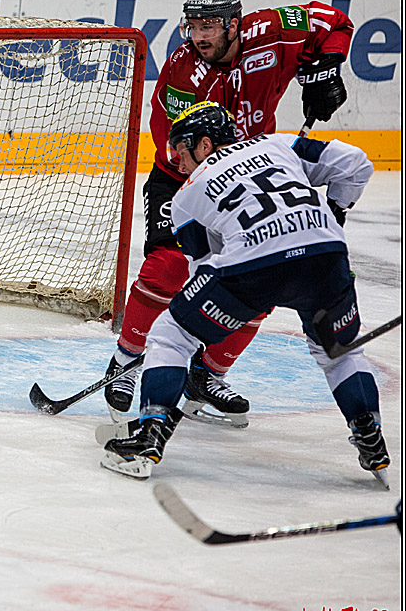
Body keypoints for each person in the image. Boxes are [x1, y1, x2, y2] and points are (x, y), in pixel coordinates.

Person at [104, 0, 355, 427]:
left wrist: (329, 65)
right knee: (168, 265)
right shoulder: (184, 73)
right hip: (188, 176)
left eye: (210, 25)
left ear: (234, 23)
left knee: (260, 282)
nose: (199, 35)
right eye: (193, 25)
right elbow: (176, 152)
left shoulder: (273, 30)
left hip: (256, 179)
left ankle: (207, 374)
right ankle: (125, 361)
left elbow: (334, 23)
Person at [101, 102, 389, 489]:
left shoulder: (187, 194)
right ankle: (370, 436)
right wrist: (333, 214)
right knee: (341, 353)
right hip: (327, 255)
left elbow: (204, 266)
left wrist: (200, 322)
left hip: (255, 267)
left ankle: (149, 437)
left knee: (172, 333)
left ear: (204, 145)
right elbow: (355, 164)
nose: (178, 163)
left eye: (181, 152)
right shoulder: (277, 144)